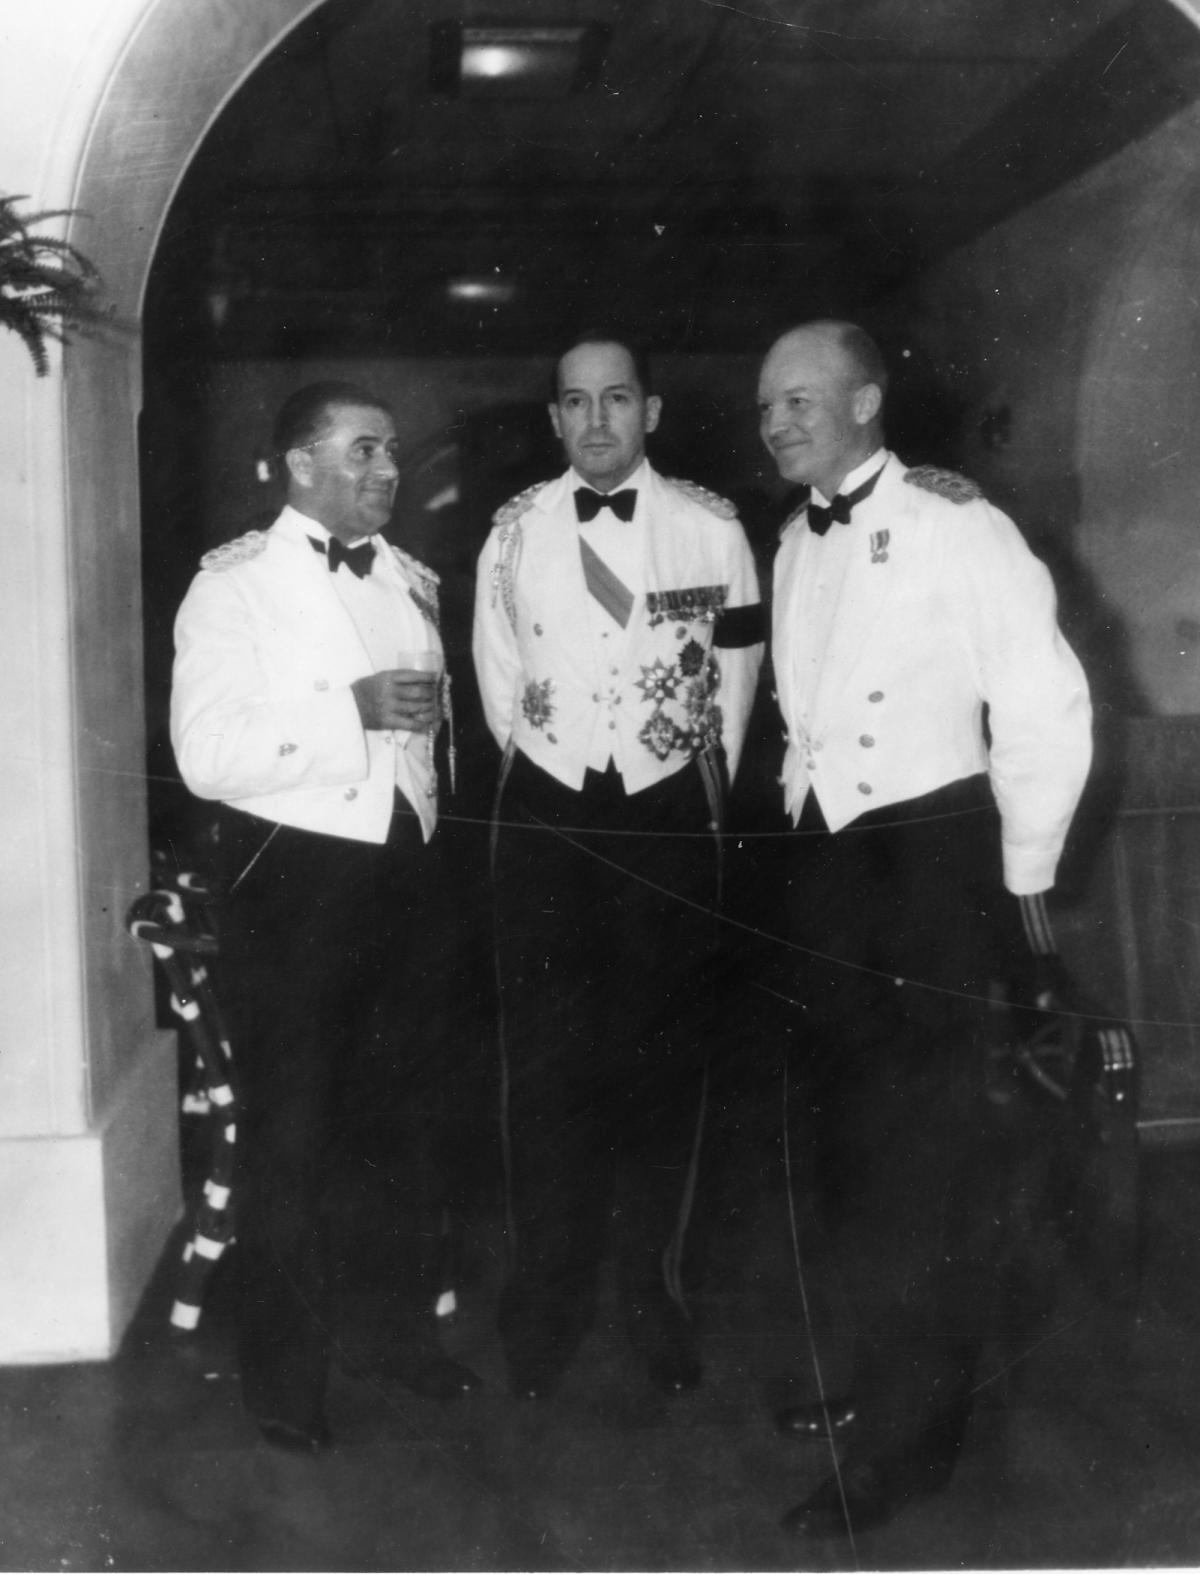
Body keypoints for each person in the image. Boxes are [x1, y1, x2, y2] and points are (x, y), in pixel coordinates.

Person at [756, 322, 1092, 1536]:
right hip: (830, 874)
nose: (778, 421)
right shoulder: (794, 542)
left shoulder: (959, 522)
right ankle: (872, 1384)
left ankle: (912, 1442)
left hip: (932, 870)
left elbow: (1047, 704)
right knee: (849, 1155)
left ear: (867, 400)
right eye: (766, 406)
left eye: (801, 398)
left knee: (926, 1171)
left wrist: (1020, 887)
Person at [171, 381, 479, 1454]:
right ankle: (285, 1381)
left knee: (403, 1123)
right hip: (295, 881)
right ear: (299, 463)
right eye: (362, 452)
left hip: (407, 875)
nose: (387, 470)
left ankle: (393, 1333)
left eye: (391, 451)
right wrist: (344, 708)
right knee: (295, 1134)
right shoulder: (234, 588)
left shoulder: (412, 579)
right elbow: (205, 756)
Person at [472, 332, 764, 1400]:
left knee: (665, 1064)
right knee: (544, 1069)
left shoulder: (713, 530)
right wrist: (562, 766)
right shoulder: (511, 537)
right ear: (553, 419)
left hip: (668, 810)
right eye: (575, 402)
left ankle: (653, 1293)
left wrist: (684, 784)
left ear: (652, 409)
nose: (596, 420)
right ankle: (545, 1297)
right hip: (548, 811)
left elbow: (734, 680)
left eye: (617, 399)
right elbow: (501, 687)